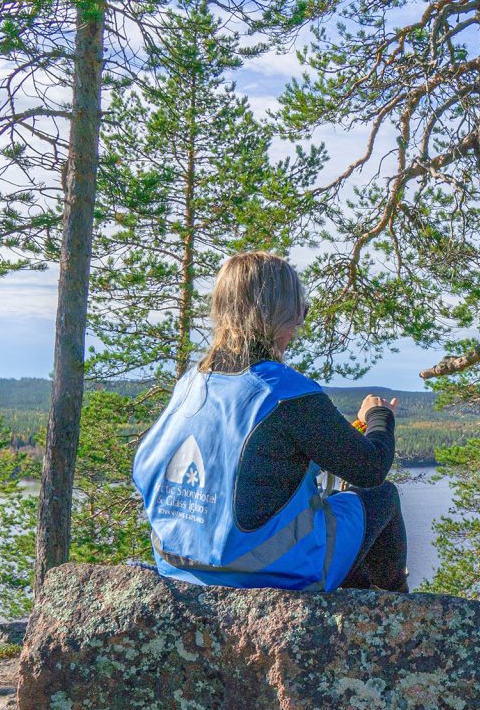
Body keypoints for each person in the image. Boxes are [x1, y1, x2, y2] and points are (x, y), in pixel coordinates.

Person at [133, 252, 407, 593]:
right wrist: (378, 416)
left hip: (178, 565)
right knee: (381, 496)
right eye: (299, 313)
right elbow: (370, 468)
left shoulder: (192, 383)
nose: (298, 326)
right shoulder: (285, 392)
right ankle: (394, 613)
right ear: (278, 316)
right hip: (265, 571)